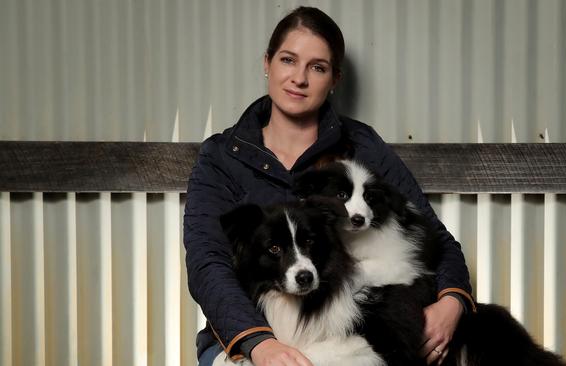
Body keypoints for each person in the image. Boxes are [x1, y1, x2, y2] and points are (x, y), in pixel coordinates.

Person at [184, 6, 474, 366]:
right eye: (288, 60)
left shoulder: (363, 147)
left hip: (346, 334)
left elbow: (434, 236)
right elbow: (206, 262)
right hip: (245, 340)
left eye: (317, 67)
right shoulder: (222, 156)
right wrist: (260, 344)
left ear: (334, 78)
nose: (299, 79)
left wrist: (451, 302)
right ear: (267, 63)